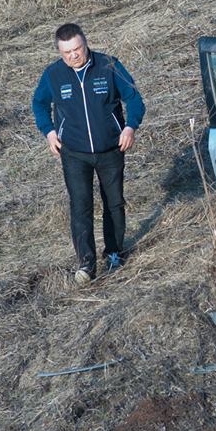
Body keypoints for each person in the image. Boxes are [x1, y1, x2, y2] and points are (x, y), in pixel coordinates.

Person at [32, 23, 146, 285]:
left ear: (86, 44)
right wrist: (49, 131)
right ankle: (86, 263)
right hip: (74, 153)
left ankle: (115, 253)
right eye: (67, 52)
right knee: (80, 206)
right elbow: (38, 103)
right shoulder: (53, 75)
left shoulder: (108, 65)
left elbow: (134, 98)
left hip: (111, 149)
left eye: (78, 49)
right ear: (60, 52)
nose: (73, 55)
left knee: (114, 202)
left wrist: (130, 127)